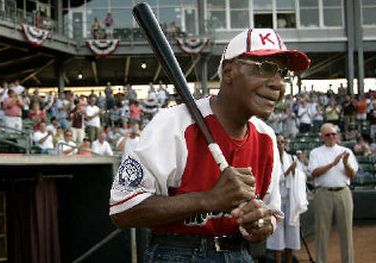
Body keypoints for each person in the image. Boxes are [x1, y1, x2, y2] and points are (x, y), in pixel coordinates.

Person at [109, 28, 310, 262]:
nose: (278, 83)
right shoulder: (173, 123)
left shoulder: (266, 137)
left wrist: (260, 223)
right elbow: (122, 209)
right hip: (176, 252)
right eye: (265, 68)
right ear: (229, 72)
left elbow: (270, 213)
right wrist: (207, 199)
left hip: (240, 252)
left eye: (282, 73)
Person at [308, 123, 358, 263]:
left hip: (343, 192)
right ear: (322, 137)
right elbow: (314, 173)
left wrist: (346, 163)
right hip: (323, 193)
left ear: (337, 135)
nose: (331, 137)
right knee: (321, 232)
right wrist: (333, 164)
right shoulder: (316, 152)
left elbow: (352, 174)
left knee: (347, 231)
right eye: (327, 135)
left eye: (333, 134)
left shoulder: (346, 151)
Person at [266, 135, 308, 263]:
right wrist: (287, 172)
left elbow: (303, 175)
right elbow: (270, 179)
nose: (280, 144)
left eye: (282, 142)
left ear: (285, 144)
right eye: (277, 142)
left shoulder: (291, 158)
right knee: (277, 233)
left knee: (292, 231)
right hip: (276, 200)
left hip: (291, 199)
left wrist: (298, 167)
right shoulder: (270, 158)